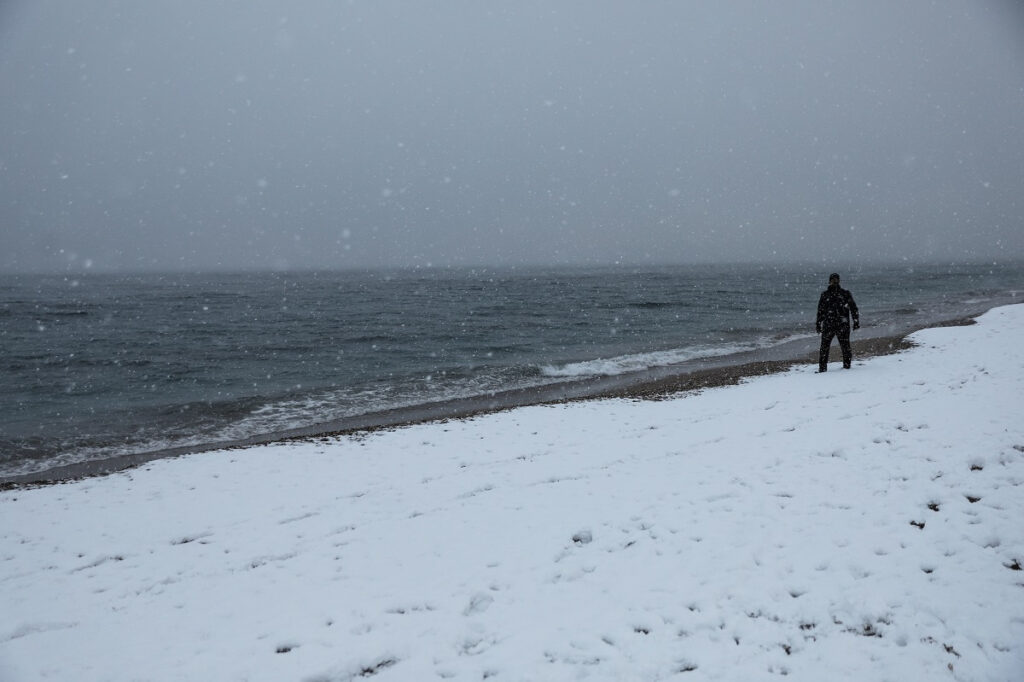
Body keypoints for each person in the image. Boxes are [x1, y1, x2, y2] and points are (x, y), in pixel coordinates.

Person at [816, 273, 859, 372]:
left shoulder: (845, 293)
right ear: (830, 281)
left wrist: (856, 321)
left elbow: (853, 308)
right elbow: (820, 311)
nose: (835, 281)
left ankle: (847, 367)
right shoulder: (825, 295)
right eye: (833, 279)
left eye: (836, 279)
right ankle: (822, 369)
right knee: (824, 348)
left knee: (845, 347)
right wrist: (818, 324)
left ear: (839, 280)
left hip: (841, 324)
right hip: (830, 324)